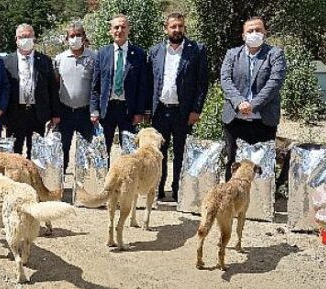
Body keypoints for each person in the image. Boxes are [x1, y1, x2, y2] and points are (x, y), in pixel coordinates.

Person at [147, 13, 209, 201]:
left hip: (184, 112)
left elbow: (202, 83)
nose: (177, 30)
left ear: (184, 28)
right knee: (158, 154)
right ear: (166, 28)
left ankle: (178, 190)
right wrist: (147, 110)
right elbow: (149, 82)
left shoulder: (196, 50)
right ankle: (157, 189)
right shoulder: (155, 51)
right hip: (160, 111)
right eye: (173, 26)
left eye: (180, 26)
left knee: (182, 153)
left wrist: (196, 110)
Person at [220, 16, 286, 180]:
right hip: (235, 119)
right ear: (243, 35)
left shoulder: (275, 54)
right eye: (250, 31)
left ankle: (261, 203)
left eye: (258, 30)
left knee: (262, 164)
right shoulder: (232, 54)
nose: (254, 33)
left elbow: (274, 83)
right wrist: (239, 102)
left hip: (263, 119)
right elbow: (226, 80)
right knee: (233, 162)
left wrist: (252, 105)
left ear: (265, 33)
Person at [90, 14, 151, 161]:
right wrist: (94, 110)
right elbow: (95, 85)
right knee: (102, 151)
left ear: (129, 30)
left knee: (129, 152)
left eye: (123, 27)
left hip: (128, 111)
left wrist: (140, 111)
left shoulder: (139, 54)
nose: (119, 30)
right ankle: (104, 181)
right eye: (116, 27)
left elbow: (143, 86)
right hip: (107, 110)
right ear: (110, 31)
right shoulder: (102, 54)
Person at [3, 23, 60, 158]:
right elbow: (3, 90)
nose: (25, 39)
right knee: (14, 154)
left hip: (38, 114)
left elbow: (52, 88)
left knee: (35, 153)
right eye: (22, 37)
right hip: (15, 114)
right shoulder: (6, 61)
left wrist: (55, 113)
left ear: (34, 38)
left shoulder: (45, 60)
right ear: (16, 40)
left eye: (28, 36)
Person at [54, 21, 96, 172]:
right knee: (62, 148)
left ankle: (84, 185)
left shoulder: (94, 57)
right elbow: (55, 85)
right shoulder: (59, 59)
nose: (75, 38)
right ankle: (61, 181)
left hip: (86, 113)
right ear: (66, 38)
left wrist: (95, 110)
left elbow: (97, 86)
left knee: (86, 150)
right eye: (72, 35)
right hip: (65, 112)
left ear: (84, 37)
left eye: (78, 35)